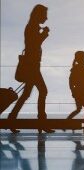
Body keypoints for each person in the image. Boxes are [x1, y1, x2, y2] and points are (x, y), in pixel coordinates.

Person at [8, 4, 54, 133]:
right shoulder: (32, 27)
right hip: (32, 67)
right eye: (44, 15)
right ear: (38, 15)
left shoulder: (32, 27)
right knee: (43, 91)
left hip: (32, 66)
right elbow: (34, 44)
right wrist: (45, 33)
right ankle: (42, 123)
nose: (46, 18)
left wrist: (42, 33)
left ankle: (12, 120)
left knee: (26, 94)